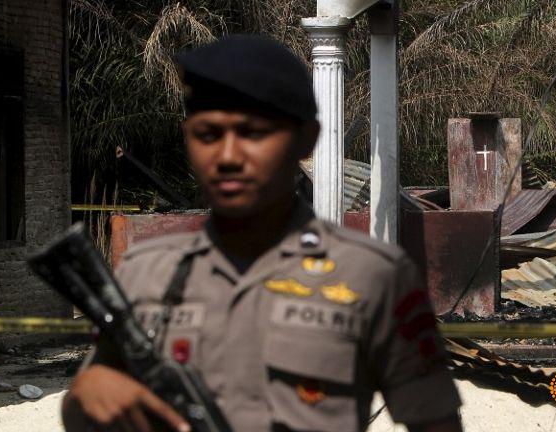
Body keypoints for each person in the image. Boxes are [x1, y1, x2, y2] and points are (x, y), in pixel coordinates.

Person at [62, 34, 462, 432]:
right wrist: (86, 392)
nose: (227, 157)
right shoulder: (146, 272)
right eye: (207, 134)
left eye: (253, 133)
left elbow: (435, 422)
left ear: (307, 138)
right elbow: (92, 399)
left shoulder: (373, 275)